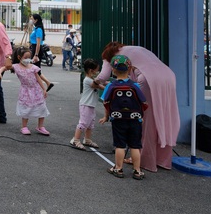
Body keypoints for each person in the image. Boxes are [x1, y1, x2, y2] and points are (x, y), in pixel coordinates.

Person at [97, 41, 180, 172]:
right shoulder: (136, 49)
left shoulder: (114, 57)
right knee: (164, 115)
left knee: (146, 120)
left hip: (148, 79)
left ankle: (146, 160)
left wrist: (95, 82)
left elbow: (103, 76)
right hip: (169, 76)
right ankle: (163, 160)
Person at [99, 55, 148, 180]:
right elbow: (143, 102)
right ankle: (137, 170)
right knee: (135, 146)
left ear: (113, 70)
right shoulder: (135, 86)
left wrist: (106, 117)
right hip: (135, 120)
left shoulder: (111, 86)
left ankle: (118, 168)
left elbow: (106, 103)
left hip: (118, 120)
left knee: (120, 145)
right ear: (130, 68)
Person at [0, 47, 50, 135]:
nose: (28, 59)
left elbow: (38, 78)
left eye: (29, 57)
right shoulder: (16, 67)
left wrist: (44, 89)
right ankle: (24, 127)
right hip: (25, 91)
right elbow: (3, 68)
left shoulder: (33, 67)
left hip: (36, 90)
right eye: (26, 57)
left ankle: (40, 126)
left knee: (42, 108)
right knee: (26, 109)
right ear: (19, 57)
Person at [70, 58, 105, 150]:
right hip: (86, 105)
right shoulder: (88, 80)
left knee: (90, 123)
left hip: (91, 105)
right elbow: (101, 87)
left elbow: (102, 82)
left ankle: (87, 139)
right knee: (83, 123)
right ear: (91, 70)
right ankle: (76, 140)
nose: (99, 72)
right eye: (97, 70)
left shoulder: (92, 79)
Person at [29, 14, 54, 91]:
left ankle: (47, 83)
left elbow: (38, 44)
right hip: (34, 49)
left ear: (36, 20)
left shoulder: (39, 29)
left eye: (32, 19)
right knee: (35, 69)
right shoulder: (35, 28)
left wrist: (36, 54)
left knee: (35, 69)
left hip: (37, 50)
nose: (31, 20)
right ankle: (47, 84)